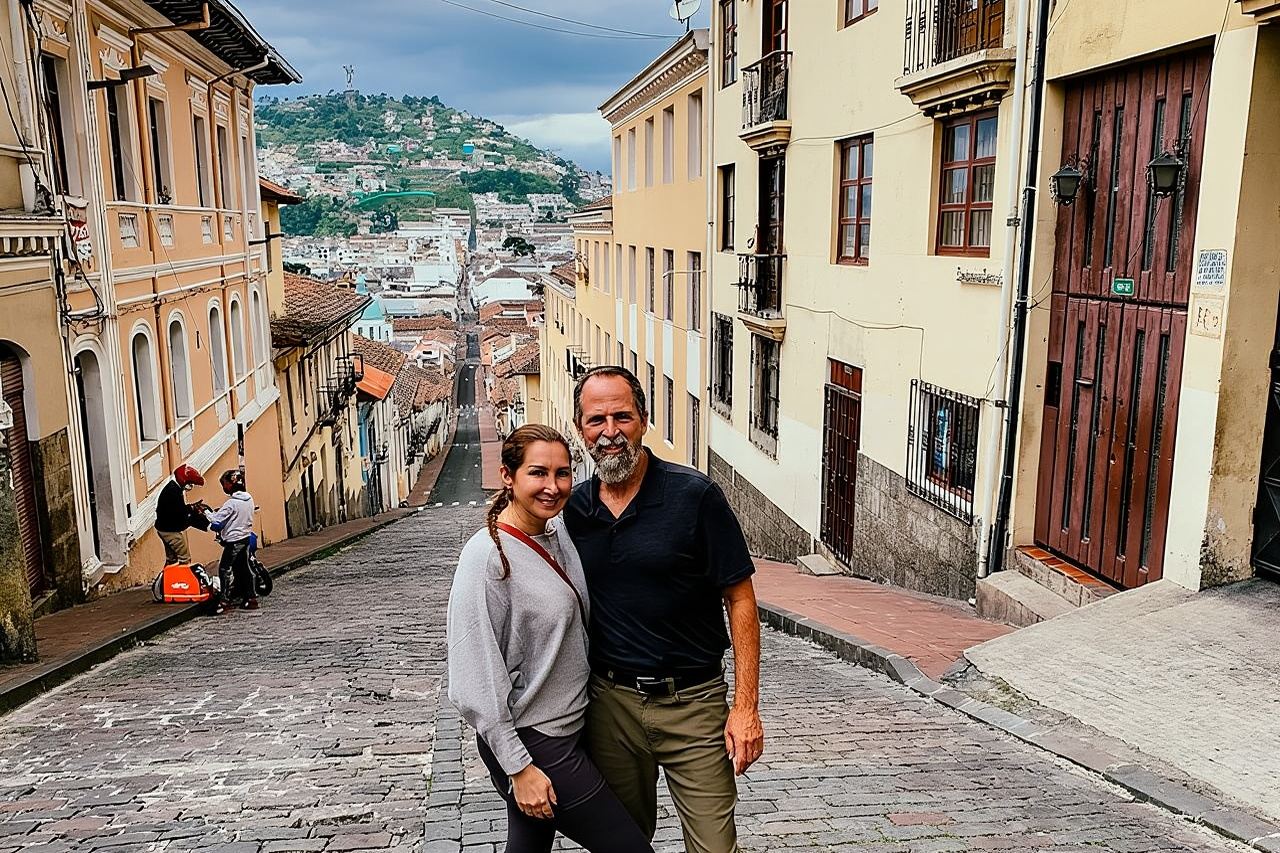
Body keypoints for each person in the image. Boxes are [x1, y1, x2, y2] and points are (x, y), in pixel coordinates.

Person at [564, 365, 764, 853]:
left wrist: (745, 708)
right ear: (580, 429)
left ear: (644, 420)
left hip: (693, 705)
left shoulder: (694, 496)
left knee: (715, 846)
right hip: (609, 707)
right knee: (623, 844)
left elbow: (741, 599)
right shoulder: (574, 510)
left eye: (622, 416)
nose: (610, 432)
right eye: (596, 420)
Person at [447, 424, 655, 853]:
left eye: (563, 474)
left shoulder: (557, 533)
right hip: (536, 741)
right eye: (538, 473)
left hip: (569, 727)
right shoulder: (485, 558)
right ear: (508, 476)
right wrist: (518, 767)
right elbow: (473, 679)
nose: (553, 486)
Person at [204, 469, 258, 613]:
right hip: (245, 537)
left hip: (233, 540)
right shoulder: (249, 499)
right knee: (244, 569)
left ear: (230, 484)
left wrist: (204, 512)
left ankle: (224, 601)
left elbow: (216, 519)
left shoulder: (232, 503)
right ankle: (251, 597)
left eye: (225, 484)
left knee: (225, 569)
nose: (224, 487)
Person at [156, 465, 205, 565]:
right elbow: (179, 513)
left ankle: (166, 578)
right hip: (170, 531)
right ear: (184, 481)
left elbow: (177, 509)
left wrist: (191, 507)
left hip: (163, 528)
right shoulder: (174, 492)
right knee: (185, 559)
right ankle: (183, 579)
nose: (191, 486)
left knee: (172, 560)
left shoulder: (173, 488)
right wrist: (192, 512)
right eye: (190, 483)